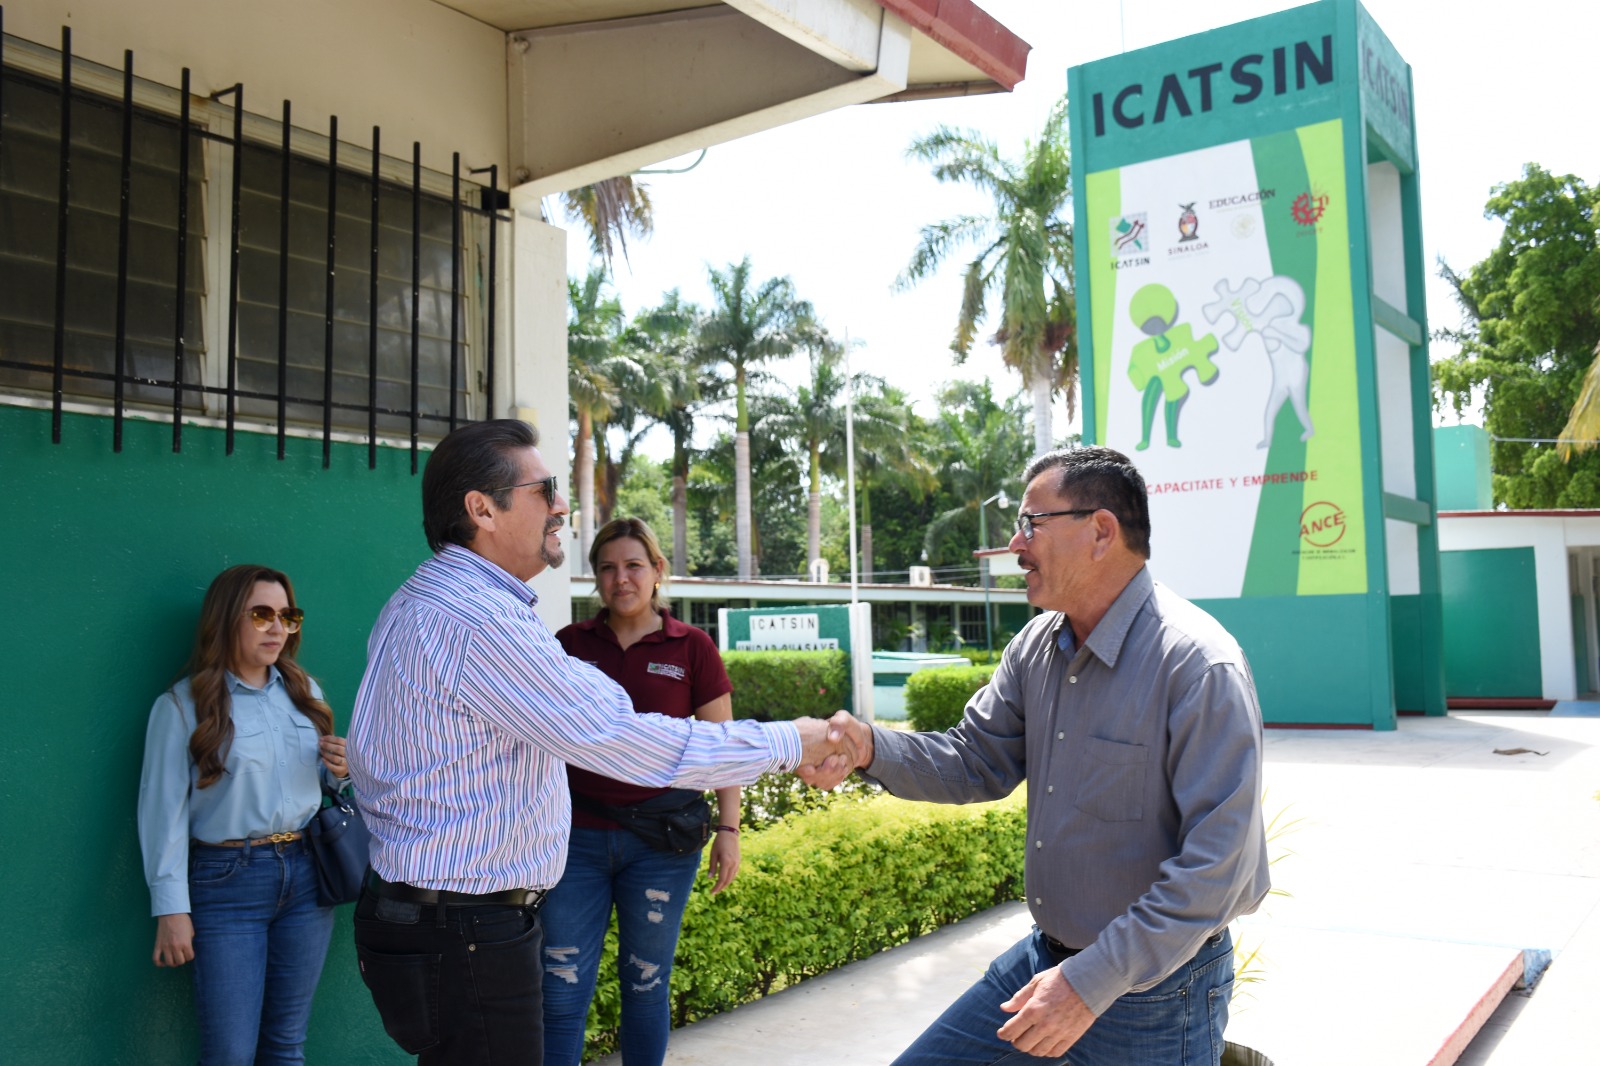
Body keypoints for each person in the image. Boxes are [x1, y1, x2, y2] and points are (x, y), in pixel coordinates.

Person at [346, 419, 854, 1065]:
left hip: (439, 921)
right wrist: (791, 741)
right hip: (464, 932)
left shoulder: (429, 600)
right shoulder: (476, 619)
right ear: (482, 509)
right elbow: (621, 740)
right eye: (544, 489)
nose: (561, 505)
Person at [803, 446, 1271, 1065]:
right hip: (1044, 964)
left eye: (1032, 524)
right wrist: (869, 747)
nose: (1015, 546)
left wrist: (1087, 985)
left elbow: (1218, 870)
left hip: (1155, 993)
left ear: (1101, 531)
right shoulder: (1036, 647)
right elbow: (975, 759)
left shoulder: (1195, 665)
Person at [541, 517, 739, 1065]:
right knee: (560, 986)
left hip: (661, 845)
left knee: (646, 985)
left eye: (633, 566)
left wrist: (728, 829)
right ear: (595, 578)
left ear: (656, 571)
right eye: (607, 568)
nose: (620, 578)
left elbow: (721, 745)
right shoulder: (569, 644)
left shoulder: (692, 647)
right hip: (575, 842)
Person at [137, 564, 350, 1065]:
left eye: (287, 616)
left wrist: (341, 771)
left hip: (306, 877)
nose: (278, 628)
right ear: (227, 619)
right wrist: (171, 908)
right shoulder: (182, 706)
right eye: (261, 615)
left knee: (285, 1045)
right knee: (230, 1053)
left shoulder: (306, 695)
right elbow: (161, 812)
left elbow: (325, 787)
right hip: (226, 882)